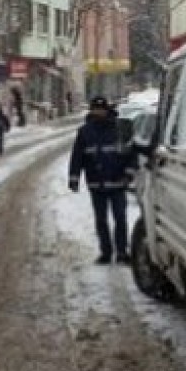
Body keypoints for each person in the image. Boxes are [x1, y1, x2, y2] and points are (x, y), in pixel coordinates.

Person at [68, 96, 137, 265]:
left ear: (107, 110)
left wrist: (129, 172)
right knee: (101, 220)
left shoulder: (118, 129)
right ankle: (105, 252)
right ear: (91, 110)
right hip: (96, 183)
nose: (98, 112)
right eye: (95, 109)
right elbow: (77, 156)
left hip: (118, 182)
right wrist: (74, 177)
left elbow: (130, 152)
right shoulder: (84, 131)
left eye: (101, 109)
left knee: (120, 218)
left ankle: (122, 252)